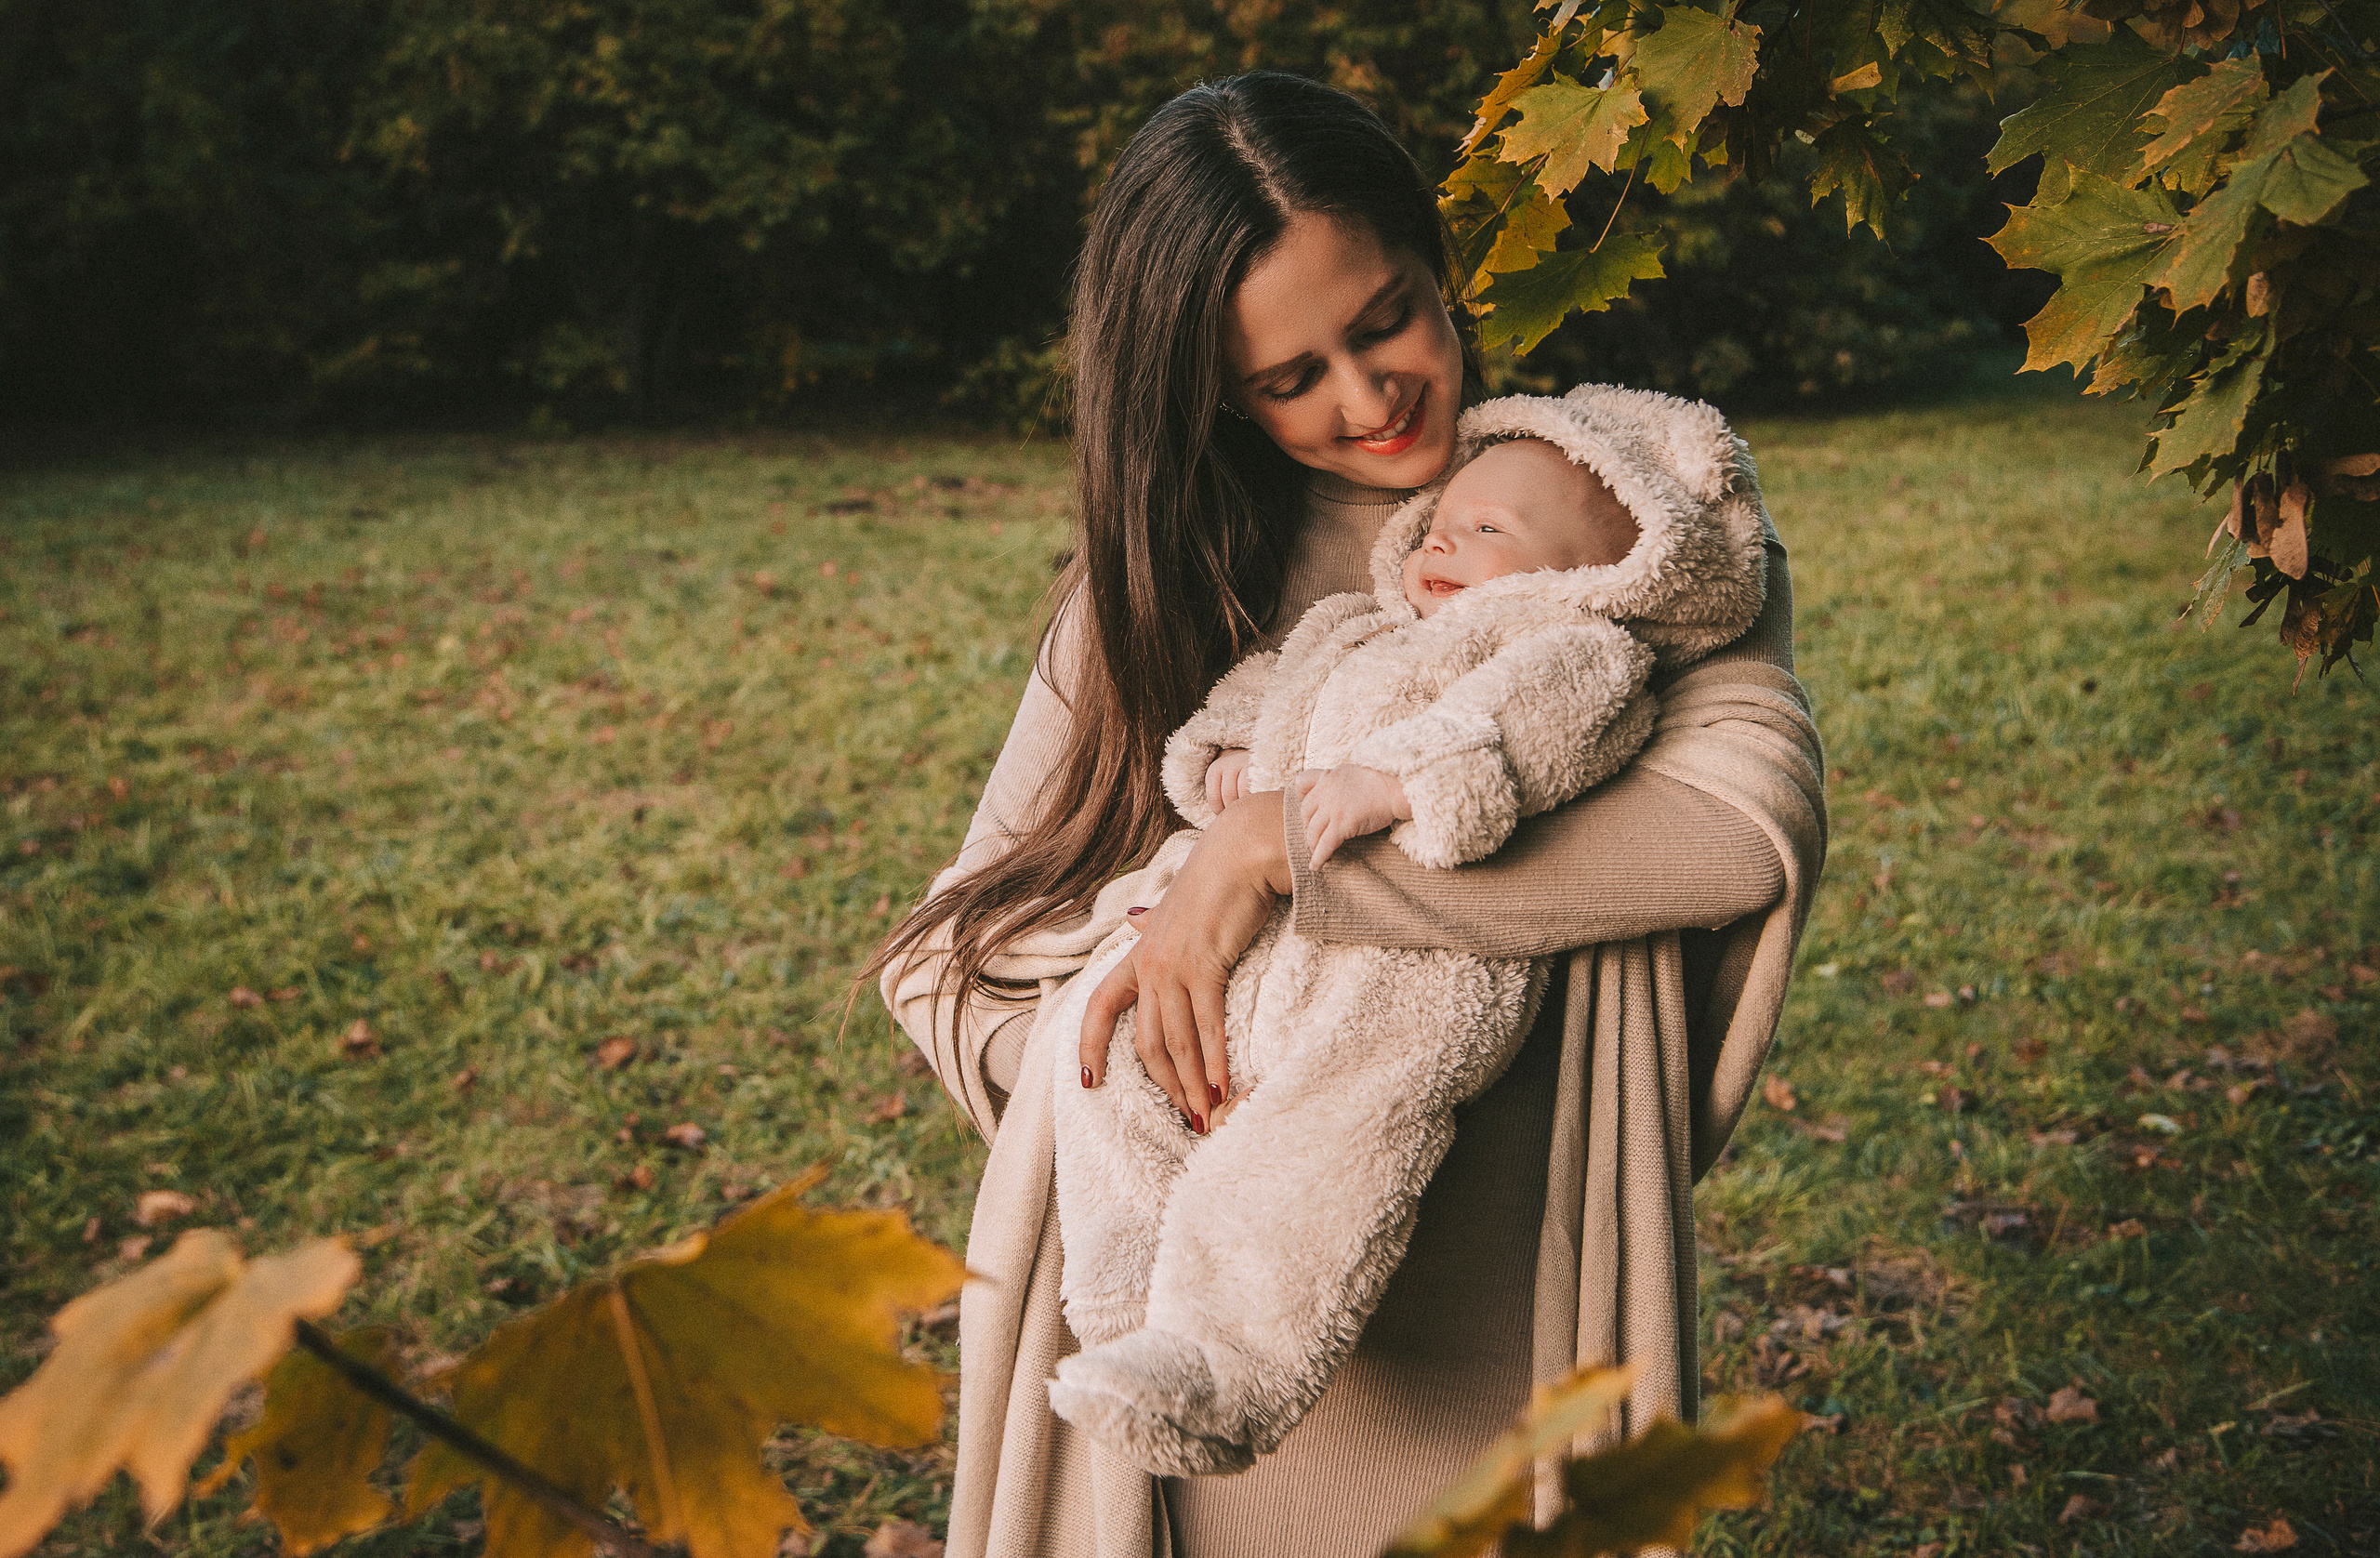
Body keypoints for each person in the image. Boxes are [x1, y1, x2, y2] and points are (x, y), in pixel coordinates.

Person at [873, 70, 1826, 1558]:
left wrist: (1273, 857)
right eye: (1289, 377)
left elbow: (1729, 835)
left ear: (1439, 268)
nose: (1370, 398)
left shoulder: (1627, 523)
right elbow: (945, 957)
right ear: (1212, 394)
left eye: (1385, 320)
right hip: (1192, 1351)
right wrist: (1147, 988)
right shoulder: (1164, 592)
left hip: (1515, 1314)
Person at [1045, 390, 1772, 1481]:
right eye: (1442, 522)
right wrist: (1230, 763)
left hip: (1419, 970)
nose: (1443, 542)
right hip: (1268, 949)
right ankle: (1125, 1297)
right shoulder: (1354, 626)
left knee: (1328, 1142)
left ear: (1587, 571)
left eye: (1488, 532)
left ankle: (1226, 1366)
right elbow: (1259, 699)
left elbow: (1526, 737)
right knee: (1107, 1052)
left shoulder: (1568, 644)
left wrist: (1398, 780)